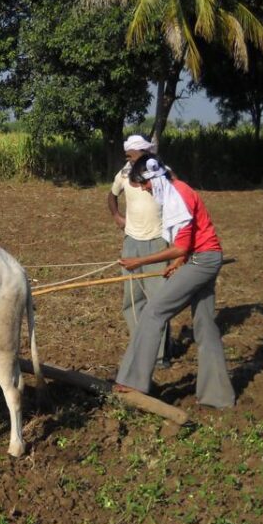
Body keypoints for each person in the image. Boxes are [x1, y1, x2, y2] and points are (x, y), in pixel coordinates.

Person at [114, 157, 235, 409]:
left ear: (153, 178)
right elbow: (188, 242)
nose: (145, 190)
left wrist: (141, 260)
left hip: (202, 262)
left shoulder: (178, 195)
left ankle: (134, 382)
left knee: (154, 311)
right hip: (205, 258)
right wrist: (179, 263)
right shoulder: (176, 191)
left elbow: (181, 246)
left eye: (144, 185)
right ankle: (218, 396)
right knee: (205, 327)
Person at [107, 134, 172, 368]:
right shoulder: (124, 174)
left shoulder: (163, 172)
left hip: (157, 243)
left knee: (158, 299)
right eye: (127, 156)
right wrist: (117, 216)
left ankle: (159, 355)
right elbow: (112, 195)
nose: (129, 159)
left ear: (144, 153)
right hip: (131, 242)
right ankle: (140, 344)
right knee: (132, 299)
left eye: (131, 155)